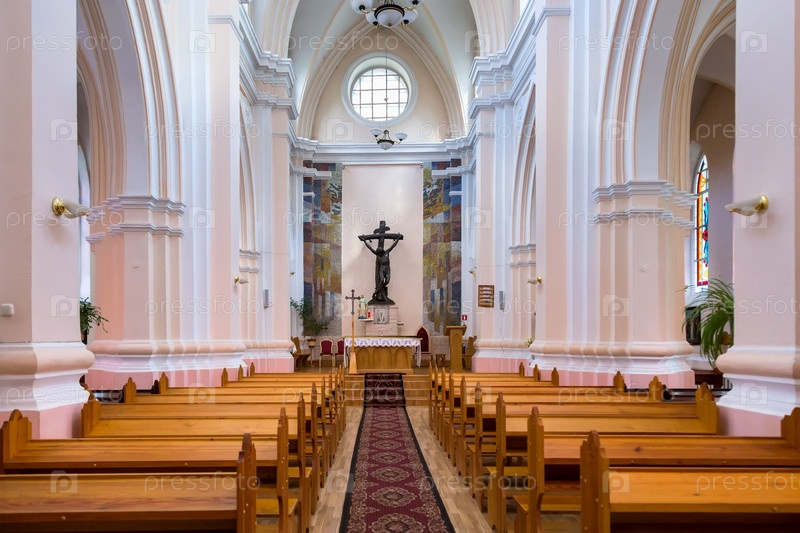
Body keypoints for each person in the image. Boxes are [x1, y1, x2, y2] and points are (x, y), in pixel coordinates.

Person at [359, 221, 403, 305]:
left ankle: (381, 291)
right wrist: (364, 241)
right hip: (382, 269)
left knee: (387, 281)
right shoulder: (378, 255)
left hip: (387, 269)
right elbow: (370, 248)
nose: (379, 253)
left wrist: (397, 239)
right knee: (382, 279)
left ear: (382, 251)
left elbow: (393, 246)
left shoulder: (386, 252)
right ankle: (377, 293)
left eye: (380, 252)